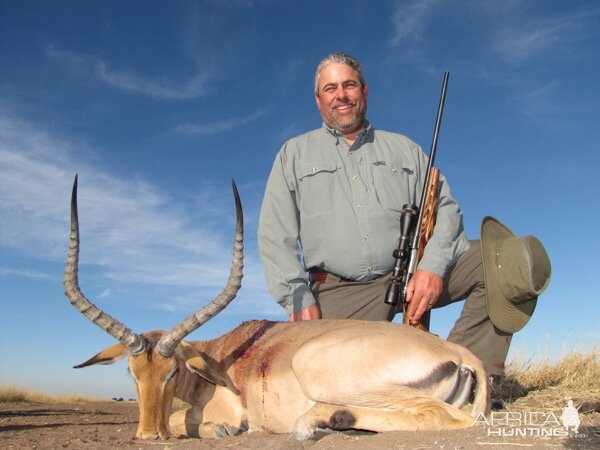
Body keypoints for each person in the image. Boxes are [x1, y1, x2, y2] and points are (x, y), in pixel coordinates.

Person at [257, 52, 551, 378]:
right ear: (318, 100)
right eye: (330, 88)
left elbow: (447, 210)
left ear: (364, 91)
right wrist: (296, 296)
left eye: (349, 85)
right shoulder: (293, 154)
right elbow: (274, 235)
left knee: (505, 260)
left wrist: (432, 266)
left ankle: (465, 379)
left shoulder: (404, 149)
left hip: (413, 276)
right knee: (332, 381)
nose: (341, 95)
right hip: (340, 294)